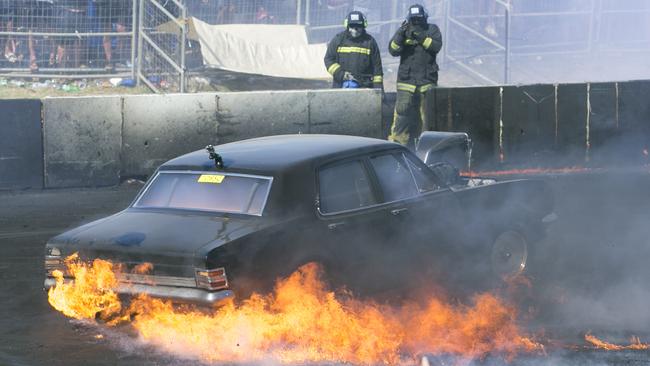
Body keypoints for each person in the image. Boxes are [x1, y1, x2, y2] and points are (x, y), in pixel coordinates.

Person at [387, 3, 442, 148]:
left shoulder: (432, 29)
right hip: (407, 81)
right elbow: (393, 50)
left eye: (419, 18)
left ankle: (427, 147)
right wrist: (400, 34)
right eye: (414, 19)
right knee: (402, 115)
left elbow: (436, 46)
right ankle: (397, 147)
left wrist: (420, 35)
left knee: (427, 117)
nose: (416, 21)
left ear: (424, 17)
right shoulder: (403, 31)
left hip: (426, 81)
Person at [323, 10, 383, 90]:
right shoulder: (338, 40)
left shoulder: (370, 42)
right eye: (352, 26)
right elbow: (328, 59)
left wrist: (378, 89)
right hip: (340, 86)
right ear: (347, 25)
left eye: (358, 26)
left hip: (364, 87)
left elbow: (377, 68)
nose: (355, 29)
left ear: (363, 26)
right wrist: (341, 74)